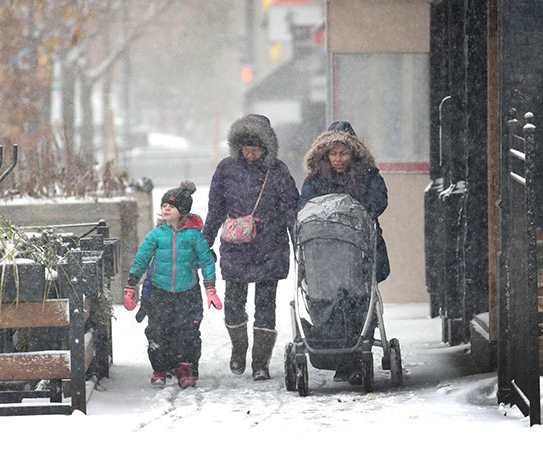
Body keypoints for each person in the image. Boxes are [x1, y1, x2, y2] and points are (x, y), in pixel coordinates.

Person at [202, 114, 300, 381]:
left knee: (265, 306)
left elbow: (291, 209)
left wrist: (298, 242)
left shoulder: (278, 171)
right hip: (237, 247)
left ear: (267, 147)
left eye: (255, 148)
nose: (250, 153)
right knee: (233, 304)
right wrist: (204, 242)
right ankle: (239, 348)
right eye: (246, 148)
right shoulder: (225, 169)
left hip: (271, 245)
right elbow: (215, 209)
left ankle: (260, 362)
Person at [298, 120, 390, 385]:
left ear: (354, 153)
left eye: (344, 153)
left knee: (361, 299)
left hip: (358, 250)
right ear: (326, 154)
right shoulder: (316, 178)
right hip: (324, 254)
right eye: (334, 153)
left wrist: (364, 212)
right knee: (326, 299)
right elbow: (305, 206)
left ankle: (355, 357)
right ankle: (337, 355)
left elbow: (378, 199)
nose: (338, 159)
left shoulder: (368, 175)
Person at [122, 180, 222, 389]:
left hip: (187, 292)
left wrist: (210, 288)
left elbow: (206, 261)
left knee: (187, 332)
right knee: (158, 330)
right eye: (164, 205)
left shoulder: (194, 236)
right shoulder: (157, 235)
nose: (166, 208)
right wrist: (131, 286)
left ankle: (185, 369)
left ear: (183, 211)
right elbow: (141, 259)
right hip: (160, 291)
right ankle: (159, 368)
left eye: (172, 205)